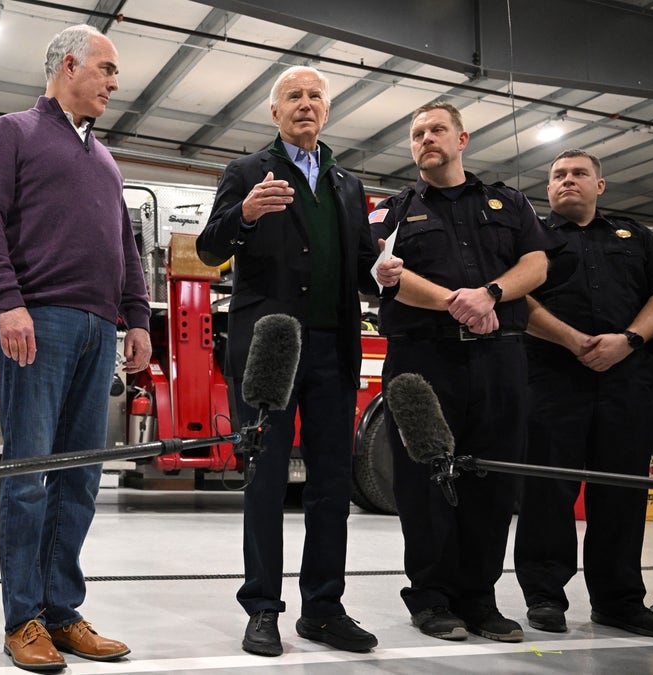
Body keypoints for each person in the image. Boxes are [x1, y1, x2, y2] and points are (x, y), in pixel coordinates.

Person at [0, 23, 151, 673]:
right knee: (28, 476)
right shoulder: (12, 132)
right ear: (69, 65)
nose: (113, 82)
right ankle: (24, 618)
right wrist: (7, 300)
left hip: (99, 330)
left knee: (81, 478)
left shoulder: (105, 160)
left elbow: (125, 249)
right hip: (37, 321)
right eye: (105, 69)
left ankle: (62, 611)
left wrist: (137, 318)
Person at [196, 65, 400, 657]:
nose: (305, 104)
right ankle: (262, 607)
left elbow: (362, 265)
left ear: (328, 111)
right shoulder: (245, 172)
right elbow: (211, 249)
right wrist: (248, 214)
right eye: (294, 96)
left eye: (315, 96)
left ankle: (323, 609)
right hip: (270, 354)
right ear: (274, 111)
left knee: (332, 483)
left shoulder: (347, 185)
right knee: (264, 480)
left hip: (335, 350)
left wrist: (381, 274)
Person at [370, 102, 556, 643]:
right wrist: (462, 302)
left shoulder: (511, 202)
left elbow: (537, 264)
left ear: (462, 138)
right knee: (422, 479)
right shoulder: (391, 212)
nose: (425, 139)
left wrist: (492, 294)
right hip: (422, 360)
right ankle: (430, 598)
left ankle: (479, 598)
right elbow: (387, 277)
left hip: (500, 356)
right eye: (416, 133)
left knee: (492, 479)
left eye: (436, 130)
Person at [513, 149, 653, 636]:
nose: (567, 180)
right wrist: (572, 340)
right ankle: (545, 596)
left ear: (600, 185)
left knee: (621, 494)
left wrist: (629, 339)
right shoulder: (530, 240)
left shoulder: (636, 238)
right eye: (558, 175)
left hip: (626, 384)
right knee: (548, 491)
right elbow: (517, 297)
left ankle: (618, 600)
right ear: (548, 188)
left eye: (579, 173)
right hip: (553, 381)